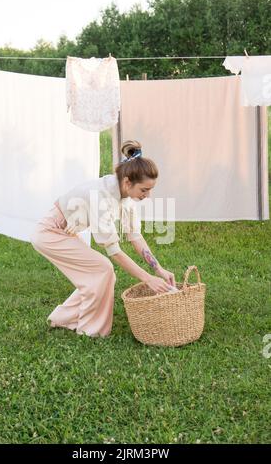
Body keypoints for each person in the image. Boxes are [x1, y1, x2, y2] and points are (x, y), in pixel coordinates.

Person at [30, 140, 176, 338]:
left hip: (66, 232)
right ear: (127, 182)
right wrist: (148, 279)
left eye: (150, 190)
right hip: (49, 232)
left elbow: (135, 236)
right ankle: (91, 331)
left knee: (101, 273)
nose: (148, 196)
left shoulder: (125, 198)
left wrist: (158, 269)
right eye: (144, 190)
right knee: (103, 268)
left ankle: (64, 318)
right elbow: (114, 251)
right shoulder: (101, 195)